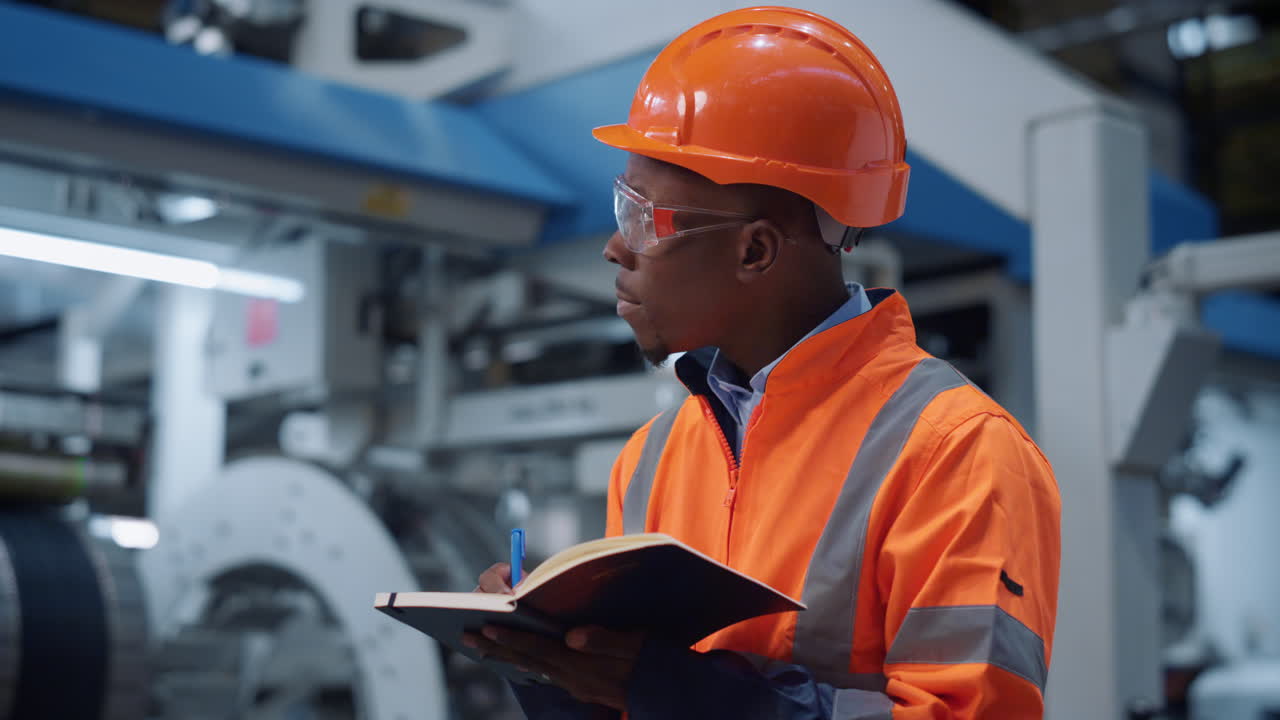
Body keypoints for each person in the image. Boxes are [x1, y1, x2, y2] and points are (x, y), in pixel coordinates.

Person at [464, 6, 1061, 719]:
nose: (613, 250)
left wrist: (686, 694)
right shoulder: (652, 457)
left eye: (641, 219)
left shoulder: (957, 455)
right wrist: (547, 659)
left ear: (755, 251)